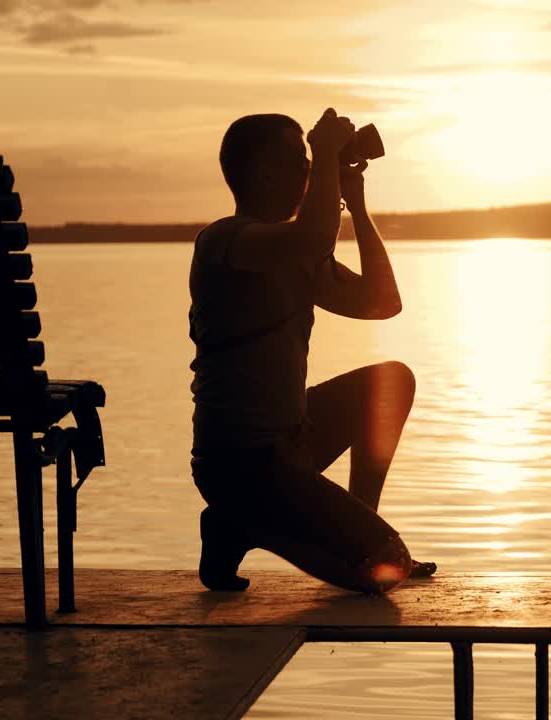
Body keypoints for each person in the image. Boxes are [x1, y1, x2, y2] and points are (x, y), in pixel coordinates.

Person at [188, 109, 434, 594]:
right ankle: (244, 523)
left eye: (309, 161)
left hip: (292, 444)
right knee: (387, 568)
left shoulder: (298, 255)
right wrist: (325, 153)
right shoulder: (227, 240)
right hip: (241, 464)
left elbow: (383, 303)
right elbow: (310, 235)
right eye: (300, 160)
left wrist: (356, 207)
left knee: (391, 380)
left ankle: (341, 522)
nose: (308, 171)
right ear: (263, 172)